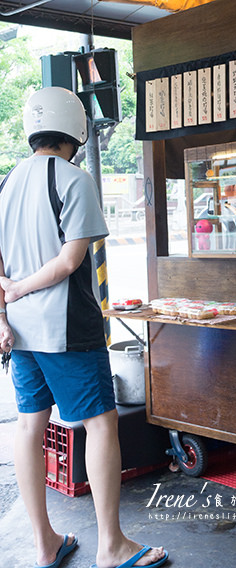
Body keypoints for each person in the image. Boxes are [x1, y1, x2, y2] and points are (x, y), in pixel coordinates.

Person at [0, 87, 168, 568]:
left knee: (31, 424)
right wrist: (19, 290)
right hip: (66, 327)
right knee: (100, 423)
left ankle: (44, 542)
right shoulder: (74, 179)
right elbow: (71, 260)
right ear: (75, 130)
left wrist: (5, 310)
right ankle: (112, 546)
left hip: (22, 334)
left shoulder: (7, 181)